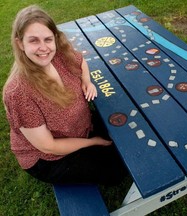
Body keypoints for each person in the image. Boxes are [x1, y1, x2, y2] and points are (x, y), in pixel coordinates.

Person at [2, 5, 126, 185]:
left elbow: (81, 61)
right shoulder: (19, 93)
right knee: (117, 171)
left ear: (55, 39)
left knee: (123, 135)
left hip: (80, 128)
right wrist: (93, 142)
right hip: (49, 158)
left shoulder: (58, 56)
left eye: (48, 39)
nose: (43, 48)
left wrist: (86, 81)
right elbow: (48, 146)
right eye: (34, 40)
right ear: (20, 43)